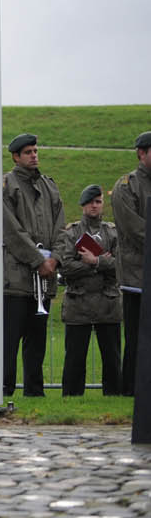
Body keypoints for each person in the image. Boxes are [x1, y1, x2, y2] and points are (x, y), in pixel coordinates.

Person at [1, 133, 64, 397]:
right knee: (10, 340)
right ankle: (4, 390)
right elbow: (11, 230)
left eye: (36, 151)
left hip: (44, 278)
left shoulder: (49, 186)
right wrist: (38, 260)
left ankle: (34, 391)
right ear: (16, 156)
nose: (34, 155)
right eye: (28, 152)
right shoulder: (7, 185)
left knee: (37, 341)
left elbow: (61, 227)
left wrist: (55, 258)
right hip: (16, 278)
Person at [55, 185, 122, 396]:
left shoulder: (113, 232)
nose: (94, 206)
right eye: (90, 202)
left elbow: (121, 265)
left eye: (98, 201)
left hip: (108, 301)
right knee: (75, 358)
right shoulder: (72, 232)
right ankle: (72, 397)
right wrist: (101, 263)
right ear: (83, 205)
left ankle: (113, 396)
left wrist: (94, 261)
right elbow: (65, 266)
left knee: (112, 357)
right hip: (79, 302)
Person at [110, 131, 150, 397]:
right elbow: (134, 229)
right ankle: (131, 390)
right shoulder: (126, 186)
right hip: (138, 276)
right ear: (141, 153)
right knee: (137, 339)